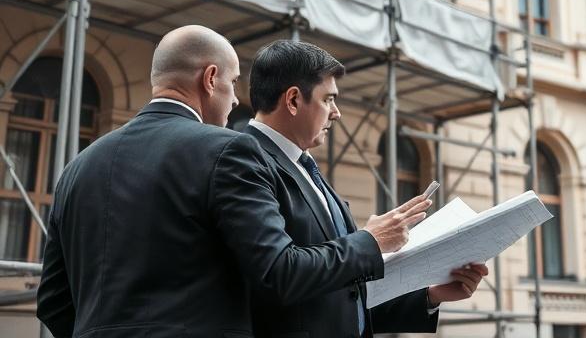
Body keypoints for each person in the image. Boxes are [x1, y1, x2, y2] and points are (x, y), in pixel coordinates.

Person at [38, 25, 428, 338]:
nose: (237, 101)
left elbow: (53, 302)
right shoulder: (228, 150)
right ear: (210, 78)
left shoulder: (77, 167)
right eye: (233, 83)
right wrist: (370, 242)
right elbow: (277, 272)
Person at [244, 39, 487, 338]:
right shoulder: (247, 158)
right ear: (293, 100)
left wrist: (430, 295)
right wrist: (370, 241)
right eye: (328, 99)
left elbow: (345, 297)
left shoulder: (303, 164)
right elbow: (279, 274)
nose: (337, 113)